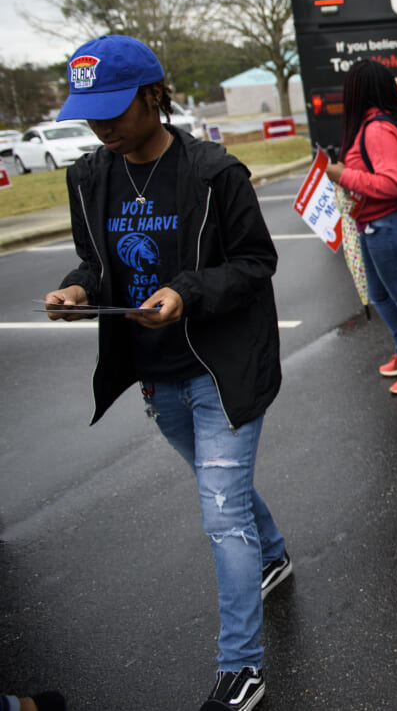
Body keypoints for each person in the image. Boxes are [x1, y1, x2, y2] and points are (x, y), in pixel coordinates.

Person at [43, 35, 290, 710]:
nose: (103, 129)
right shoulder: (89, 175)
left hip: (220, 371)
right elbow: (99, 264)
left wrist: (186, 290)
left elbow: (255, 262)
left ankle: (241, 667)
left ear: (154, 95)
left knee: (219, 514)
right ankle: (274, 553)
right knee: (227, 500)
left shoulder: (215, 173)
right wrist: (77, 289)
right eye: (91, 116)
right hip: (154, 374)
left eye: (115, 112)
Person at [324, 59, 397, 394]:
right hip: (374, 223)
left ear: (357, 92)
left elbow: (393, 184)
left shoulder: (376, 129)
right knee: (380, 294)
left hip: (390, 224)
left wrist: (341, 175)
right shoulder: (374, 123)